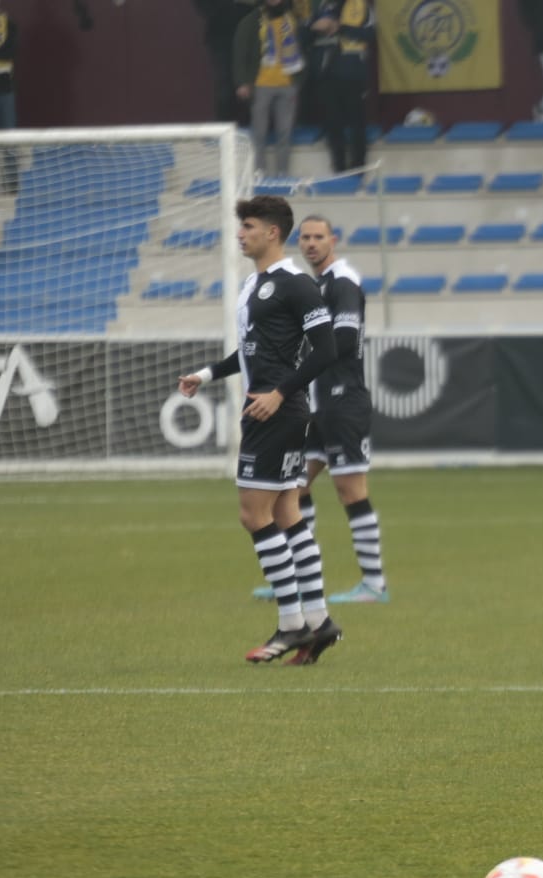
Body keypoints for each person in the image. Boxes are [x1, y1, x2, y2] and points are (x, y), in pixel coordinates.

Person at [178, 195, 344, 665]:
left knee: (254, 515)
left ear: (272, 232)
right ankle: (319, 621)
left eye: (248, 226)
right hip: (279, 411)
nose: (240, 233)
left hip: (276, 412)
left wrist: (278, 392)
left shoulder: (294, 285)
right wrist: (206, 375)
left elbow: (327, 348)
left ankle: (290, 625)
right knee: (288, 513)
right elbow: (250, 353)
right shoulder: (256, 285)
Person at [252, 215, 389, 605]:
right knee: (296, 487)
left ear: (333, 239)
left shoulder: (342, 280)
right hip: (316, 403)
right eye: (306, 238)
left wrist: (296, 367)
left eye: (318, 237)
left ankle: (375, 585)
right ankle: (297, 578)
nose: (311, 243)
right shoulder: (317, 284)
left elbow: (344, 341)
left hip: (343, 401)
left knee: (350, 490)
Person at [233, 0, 307, 178]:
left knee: (285, 134)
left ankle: (283, 174)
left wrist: (298, 83)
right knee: (259, 134)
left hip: (288, 85)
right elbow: (240, 52)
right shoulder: (252, 21)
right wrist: (242, 82)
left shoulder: (293, 20)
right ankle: (260, 173)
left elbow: (303, 52)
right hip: (261, 85)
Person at [308, 0, 375, 174]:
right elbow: (306, 36)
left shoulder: (361, 5)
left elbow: (371, 35)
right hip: (326, 75)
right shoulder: (323, 6)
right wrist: (314, 28)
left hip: (352, 74)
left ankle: (359, 170)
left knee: (356, 124)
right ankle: (339, 169)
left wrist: (340, 27)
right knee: (333, 126)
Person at [0, 0, 17, 193]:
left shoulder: (10, 24)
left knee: (9, 137)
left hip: (5, 89)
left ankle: (12, 184)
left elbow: (11, 50)